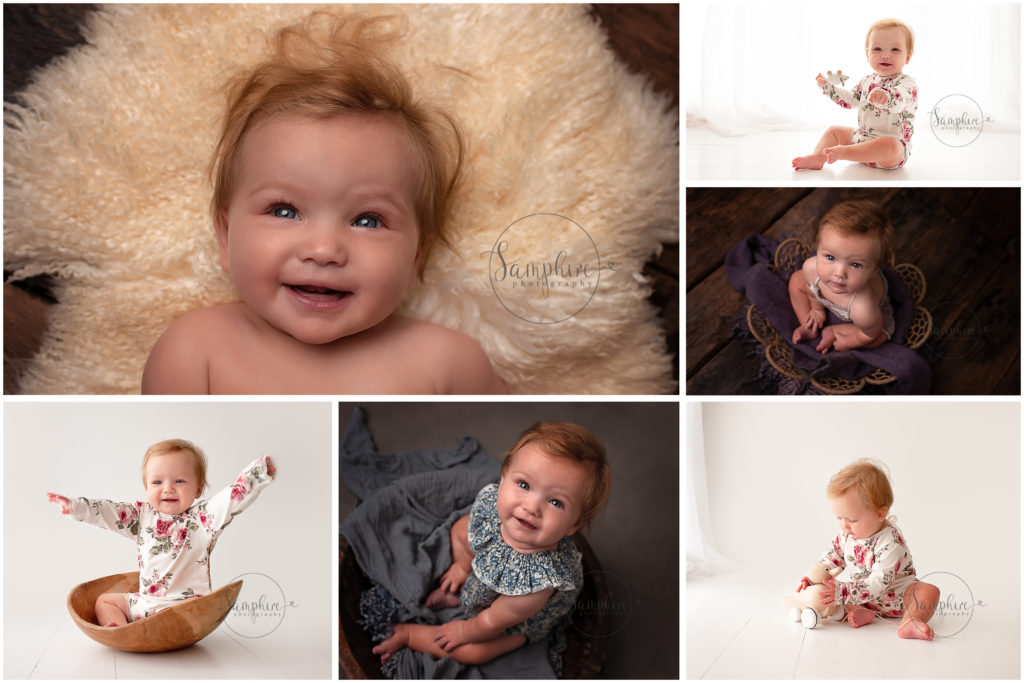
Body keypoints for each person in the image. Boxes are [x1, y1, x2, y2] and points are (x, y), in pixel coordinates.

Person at [142, 15, 506, 394]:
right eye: (284, 211)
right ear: (225, 235)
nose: (324, 250)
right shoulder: (195, 350)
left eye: (368, 220)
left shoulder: (450, 364)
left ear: (417, 256)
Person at [372, 421, 610, 665]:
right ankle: (462, 575)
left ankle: (410, 634)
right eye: (524, 485)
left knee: (473, 653)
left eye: (556, 502)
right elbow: (465, 533)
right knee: (461, 530)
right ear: (504, 477)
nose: (531, 507)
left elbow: (491, 623)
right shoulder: (495, 513)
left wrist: (463, 631)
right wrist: (463, 567)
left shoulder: (536, 585)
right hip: (491, 583)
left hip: (514, 622)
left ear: (573, 526)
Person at [47, 439, 275, 626]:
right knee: (105, 602)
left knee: (110, 602)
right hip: (147, 607)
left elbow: (230, 499)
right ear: (146, 488)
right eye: (157, 481)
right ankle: (120, 629)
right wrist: (76, 506)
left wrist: (257, 474)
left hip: (187, 608)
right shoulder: (140, 516)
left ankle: (140, 630)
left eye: (179, 480)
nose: (168, 488)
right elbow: (108, 512)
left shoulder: (203, 518)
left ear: (197, 488)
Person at [783, 459, 939, 640]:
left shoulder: (891, 542)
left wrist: (843, 592)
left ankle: (911, 620)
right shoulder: (847, 536)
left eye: (852, 520)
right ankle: (861, 612)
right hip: (862, 598)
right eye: (839, 518)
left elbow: (878, 583)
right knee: (831, 594)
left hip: (898, 596)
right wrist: (812, 578)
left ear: (880, 514)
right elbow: (830, 559)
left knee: (929, 591)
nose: (844, 526)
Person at [792, 19, 918, 171]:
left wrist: (887, 98)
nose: (885, 55)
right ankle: (818, 157)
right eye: (877, 49)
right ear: (867, 54)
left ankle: (844, 153)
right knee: (834, 131)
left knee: (891, 145)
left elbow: (901, 99)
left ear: (908, 57)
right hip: (862, 140)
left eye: (895, 50)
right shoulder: (867, 81)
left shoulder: (907, 84)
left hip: (889, 155)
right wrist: (828, 88)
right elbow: (850, 101)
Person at [788, 200, 897, 353]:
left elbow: (869, 334)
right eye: (830, 257)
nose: (839, 273)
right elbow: (810, 288)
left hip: (871, 318)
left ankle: (834, 331)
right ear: (817, 248)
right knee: (795, 281)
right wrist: (817, 309)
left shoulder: (864, 308)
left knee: (880, 336)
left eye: (855, 265)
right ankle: (808, 325)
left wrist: (849, 342)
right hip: (823, 301)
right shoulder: (811, 267)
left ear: (873, 271)